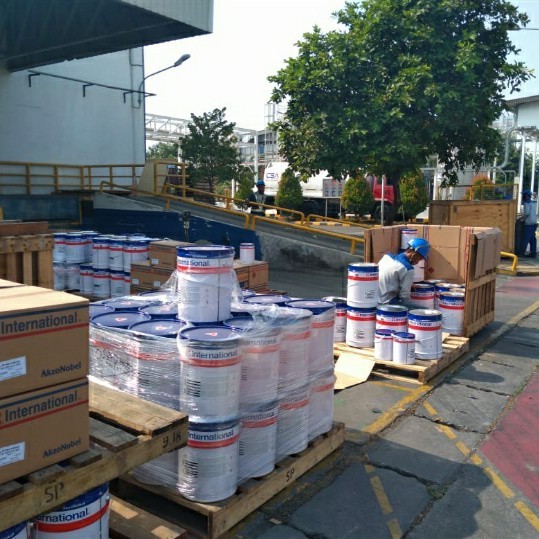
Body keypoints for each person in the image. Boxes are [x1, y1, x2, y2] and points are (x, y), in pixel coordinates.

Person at [378, 238, 430, 306]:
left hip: (374, 300)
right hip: (387, 303)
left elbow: (390, 278)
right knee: (425, 310)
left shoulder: (386, 257)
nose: (417, 263)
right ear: (414, 255)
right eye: (419, 259)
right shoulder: (407, 268)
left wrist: (409, 284)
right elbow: (404, 297)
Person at [521, 189, 537, 258]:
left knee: (525, 239)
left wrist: (522, 219)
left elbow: (527, 213)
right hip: (534, 223)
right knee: (532, 239)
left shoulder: (526, 203)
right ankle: (533, 253)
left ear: (526, 196)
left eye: (523, 195)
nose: (523, 197)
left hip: (528, 224)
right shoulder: (533, 203)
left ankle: (522, 253)